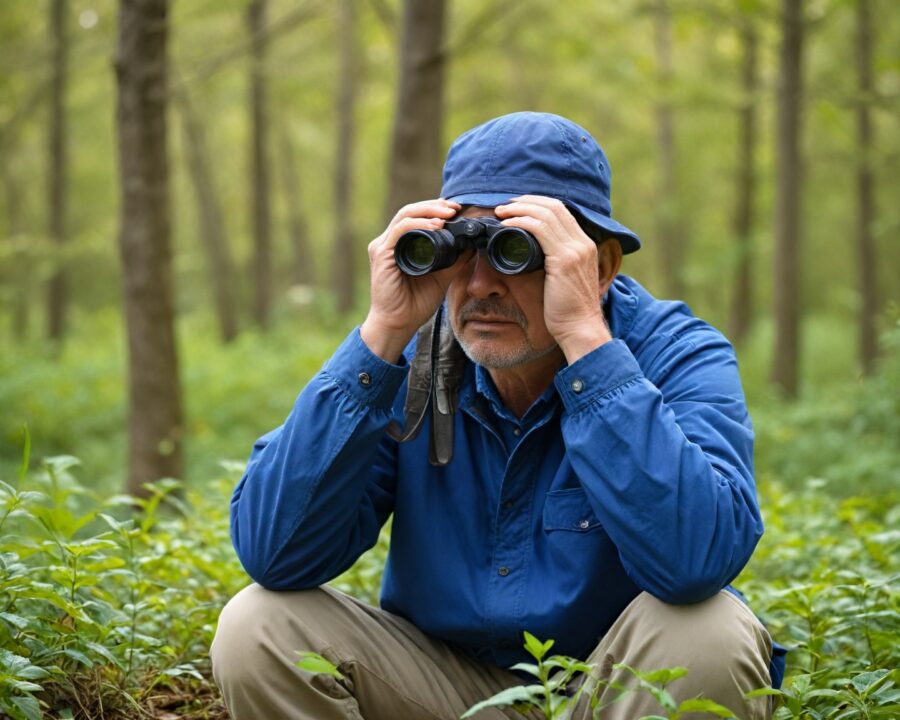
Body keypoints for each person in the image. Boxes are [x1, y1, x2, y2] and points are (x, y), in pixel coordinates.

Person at [211, 111, 784, 720]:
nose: (482, 283)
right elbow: (276, 554)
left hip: (617, 688)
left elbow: (698, 561)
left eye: (516, 251)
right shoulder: (407, 359)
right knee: (259, 626)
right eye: (462, 250)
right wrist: (381, 334)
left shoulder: (675, 352)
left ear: (601, 266)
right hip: (440, 690)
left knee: (710, 633)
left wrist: (588, 345)